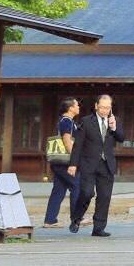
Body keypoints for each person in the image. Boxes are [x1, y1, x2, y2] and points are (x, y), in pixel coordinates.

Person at [67, 93, 121, 237]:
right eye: (102, 107)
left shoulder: (114, 121)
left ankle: (99, 228)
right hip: (88, 164)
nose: (105, 111)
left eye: (108, 108)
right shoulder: (86, 121)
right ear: (96, 106)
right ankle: (76, 218)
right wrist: (73, 164)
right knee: (87, 192)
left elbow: (122, 138)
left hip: (107, 164)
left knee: (104, 196)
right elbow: (78, 145)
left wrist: (115, 128)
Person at [42, 97, 82, 228]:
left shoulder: (65, 121)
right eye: (76, 105)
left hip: (58, 162)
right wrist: (74, 160)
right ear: (70, 108)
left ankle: (50, 219)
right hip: (65, 162)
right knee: (77, 186)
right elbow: (66, 141)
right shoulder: (67, 121)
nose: (78, 107)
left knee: (58, 190)